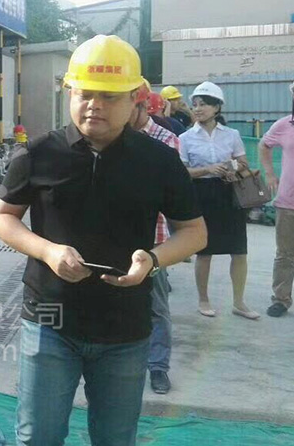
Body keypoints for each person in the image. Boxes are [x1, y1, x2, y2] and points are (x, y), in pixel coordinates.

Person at [0, 35, 207, 446]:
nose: (94, 105)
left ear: (135, 99)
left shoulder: (159, 161)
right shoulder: (38, 154)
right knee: (38, 436)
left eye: (109, 96)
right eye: (85, 94)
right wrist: (48, 251)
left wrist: (152, 259)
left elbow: (195, 232)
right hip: (50, 319)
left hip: (125, 327)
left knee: (114, 437)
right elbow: (2, 218)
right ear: (69, 92)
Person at [179, 81, 259, 320]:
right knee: (204, 251)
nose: (198, 109)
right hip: (202, 195)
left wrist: (232, 169)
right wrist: (208, 169)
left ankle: (239, 302)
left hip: (229, 193)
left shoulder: (232, 135)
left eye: (203, 104)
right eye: (195, 105)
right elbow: (182, 172)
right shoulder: (185, 138)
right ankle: (203, 300)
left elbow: (243, 163)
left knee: (239, 250)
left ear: (217, 108)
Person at [129, 85, 183, 395]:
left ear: (139, 107)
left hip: (153, 240)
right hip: (114, 238)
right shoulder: (113, 137)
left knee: (157, 307)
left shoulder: (166, 140)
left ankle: (158, 367)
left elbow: (167, 192)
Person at [259, 70, 294, 317]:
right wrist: (269, 174)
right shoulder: (283, 125)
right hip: (289, 204)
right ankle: (280, 299)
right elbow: (264, 145)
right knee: (285, 257)